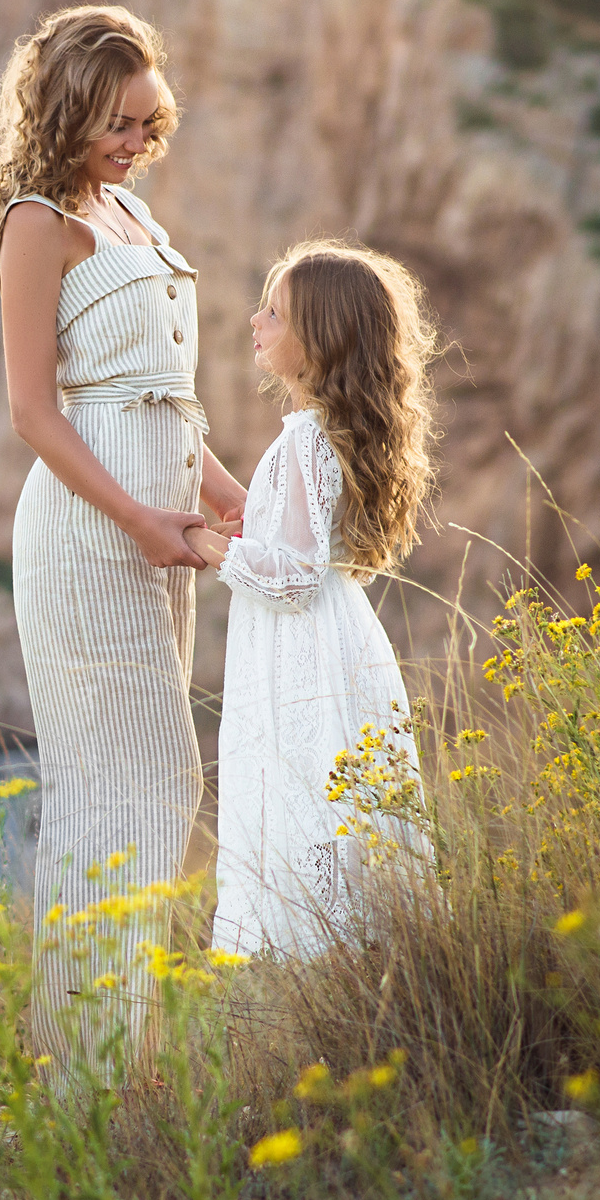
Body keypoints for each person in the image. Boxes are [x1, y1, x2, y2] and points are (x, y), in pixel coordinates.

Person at [0, 4, 247, 1059]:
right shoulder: (37, 220)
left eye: (147, 121)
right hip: (92, 535)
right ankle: (88, 1064)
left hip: (159, 526)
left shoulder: (130, 212)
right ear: (66, 111)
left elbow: (158, 394)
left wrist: (222, 491)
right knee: (134, 779)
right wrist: (136, 517)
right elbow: (32, 410)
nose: (137, 142)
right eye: (118, 123)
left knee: (143, 781)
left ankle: (102, 1051)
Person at [183, 239, 439, 955]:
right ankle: (353, 954)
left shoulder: (305, 441)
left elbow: (292, 576)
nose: (255, 321)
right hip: (334, 635)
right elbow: (306, 549)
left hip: (301, 650)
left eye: (274, 312)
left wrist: (203, 543)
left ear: (319, 339)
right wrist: (250, 531)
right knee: (335, 805)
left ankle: (318, 955)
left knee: (305, 797)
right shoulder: (325, 434)